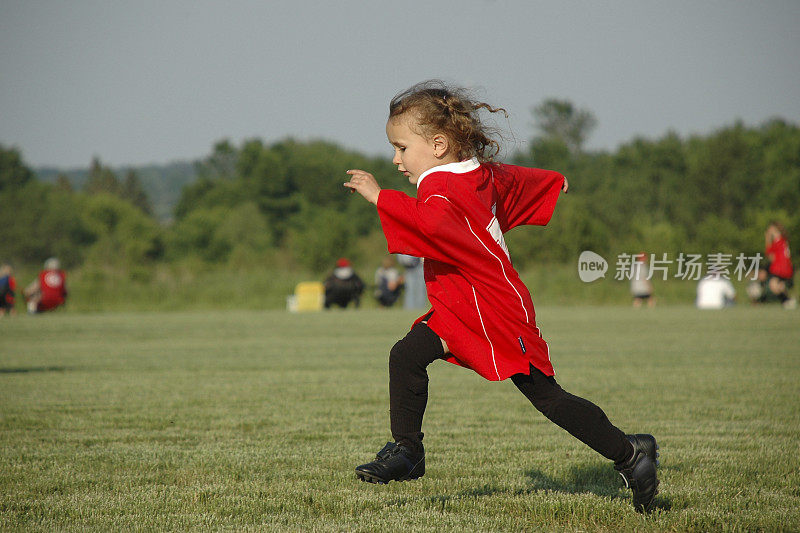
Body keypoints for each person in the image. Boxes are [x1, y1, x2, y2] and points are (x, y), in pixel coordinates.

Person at [343, 80, 659, 512]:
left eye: (400, 148)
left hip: (495, 309)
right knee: (406, 355)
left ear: (437, 145)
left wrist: (380, 197)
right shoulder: (469, 172)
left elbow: (434, 225)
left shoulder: (442, 189)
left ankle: (630, 454)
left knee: (547, 397)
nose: (396, 160)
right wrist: (550, 181)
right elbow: (507, 179)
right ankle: (408, 452)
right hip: (461, 306)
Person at [764, 222, 795, 308]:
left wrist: (768, 239)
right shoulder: (783, 241)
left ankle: (787, 301)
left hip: (780, 268)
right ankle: (787, 302)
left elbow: (770, 255)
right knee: (780, 286)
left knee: (773, 285)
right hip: (785, 268)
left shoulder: (778, 242)